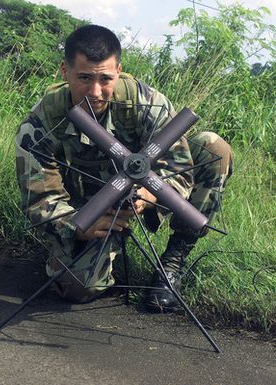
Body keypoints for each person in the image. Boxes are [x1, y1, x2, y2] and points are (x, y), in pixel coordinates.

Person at [15, 25, 232, 312]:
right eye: (84, 78)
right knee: (78, 289)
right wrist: (77, 227)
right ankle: (96, 251)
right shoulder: (42, 122)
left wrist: (148, 195)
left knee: (214, 148)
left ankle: (171, 265)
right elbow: (40, 200)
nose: (95, 91)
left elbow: (179, 167)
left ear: (119, 70)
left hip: (147, 194)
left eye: (105, 78)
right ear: (64, 72)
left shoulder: (147, 104)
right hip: (87, 210)